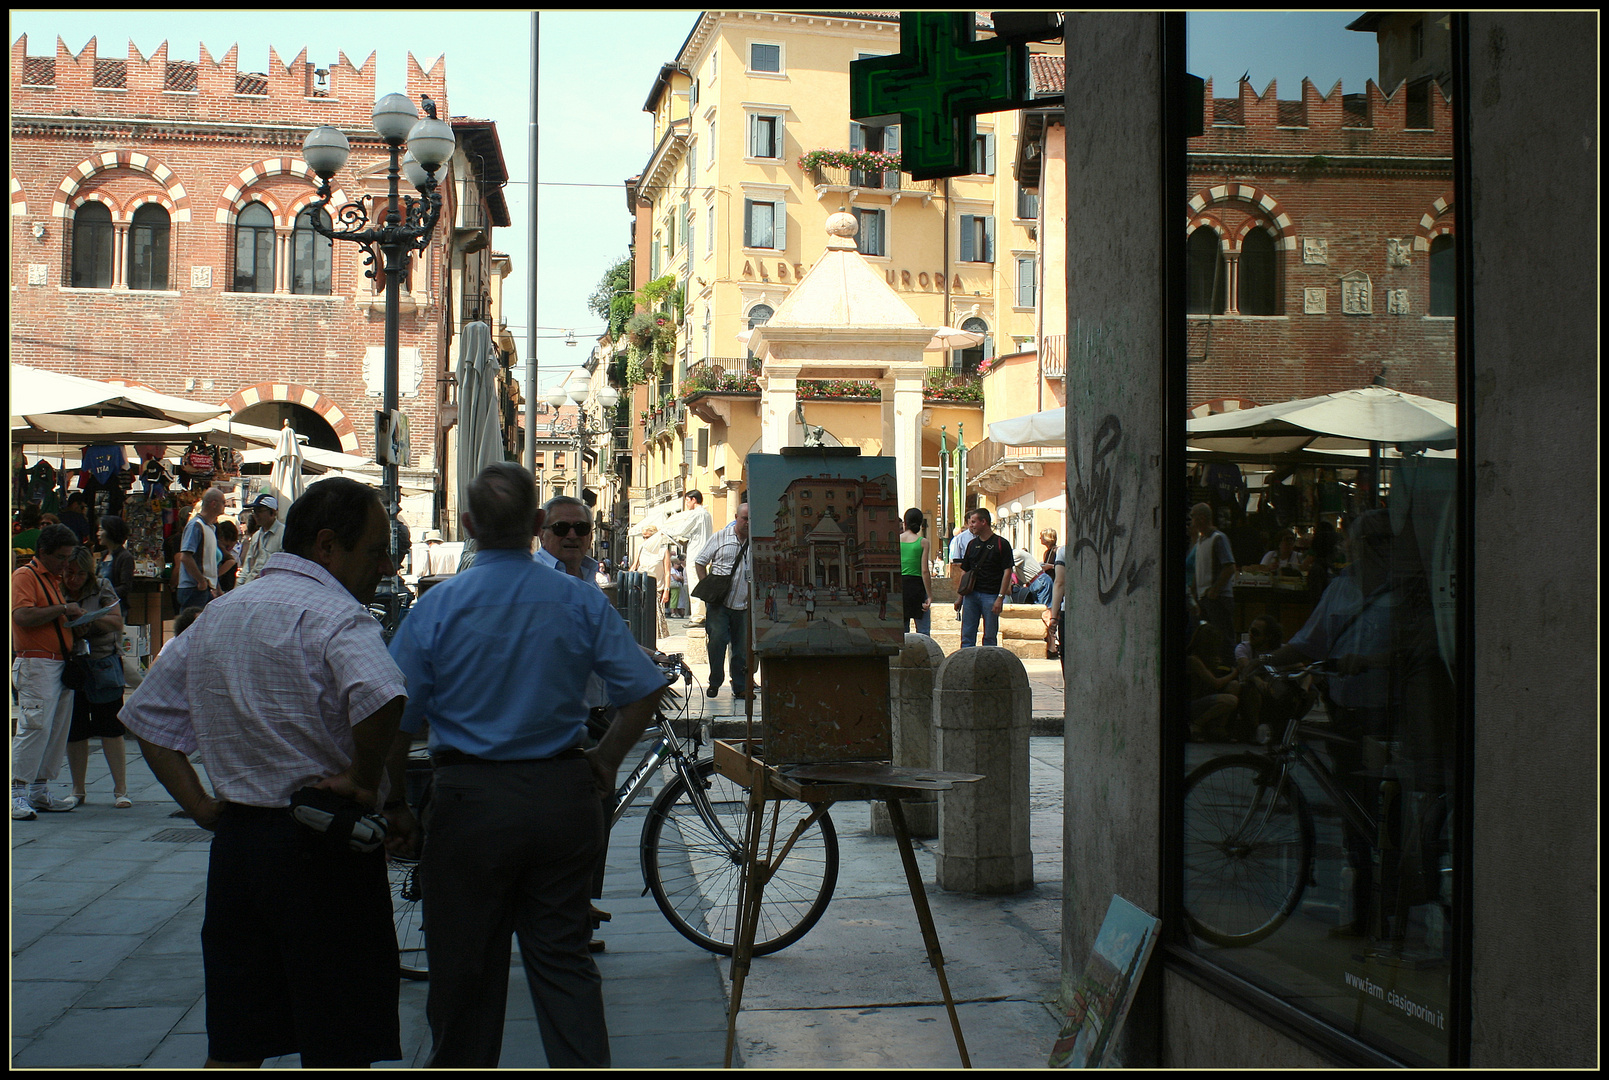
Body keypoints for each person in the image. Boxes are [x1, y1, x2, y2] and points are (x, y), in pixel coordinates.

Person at [387, 462, 671, 1068]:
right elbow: (644, 690)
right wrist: (605, 759)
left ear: (467, 525)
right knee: (564, 964)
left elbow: (397, 716)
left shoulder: (437, 608)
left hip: (468, 801)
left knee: (464, 972)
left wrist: (392, 803)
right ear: (538, 525)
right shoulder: (577, 600)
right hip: (560, 794)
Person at [119, 477, 410, 1068]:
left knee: (237, 1037)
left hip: (241, 849)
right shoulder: (338, 616)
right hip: (325, 847)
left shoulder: (218, 614)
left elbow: (146, 718)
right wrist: (362, 777)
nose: (385, 563)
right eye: (378, 547)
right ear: (327, 545)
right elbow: (383, 695)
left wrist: (201, 806)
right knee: (340, 1043)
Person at [12, 523, 88, 819]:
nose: (65, 564)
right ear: (43, 552)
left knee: (56, 730)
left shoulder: (52, 579)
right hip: (37, 663)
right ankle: (17, 791)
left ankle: (39, 790)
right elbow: (21, 615)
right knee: (35, 727)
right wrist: (62, 610)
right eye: (60, 557)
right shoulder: (25, 576)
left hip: (57, 662)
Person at [61, 545, 130, 807]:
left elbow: (116, 621)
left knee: (110, 727)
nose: (73, 579)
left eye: (78, 574)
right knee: (75, 729)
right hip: (73, 663)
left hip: (102, 662)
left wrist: (89, 620)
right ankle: (78, 789)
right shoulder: (57, 589)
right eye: (68, 573)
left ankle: (120, 789)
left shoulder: (102, 586)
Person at [693, 502, 752, 698]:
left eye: (750, 519)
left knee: (742, 648)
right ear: (736, 517)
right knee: (717, 642)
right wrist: (707, 587)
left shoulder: (756, 541)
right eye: (744, 518)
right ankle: (715, 681)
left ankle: (741, 686)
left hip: (744, 604)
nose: (747, 522)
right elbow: (700, 561)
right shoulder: (720, 537)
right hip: (719, 603)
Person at [953, 507, 1013, 648]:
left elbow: (1007, 571)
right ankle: (966, 663)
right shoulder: (972, 545)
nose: (970, 526)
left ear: (983, 522)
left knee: (990, 636)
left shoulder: (1001, 544)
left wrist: (1000, 597)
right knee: (967, 635)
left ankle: (988, 664)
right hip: (971, 595)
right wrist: (960, 597)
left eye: (973, 522)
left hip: (991, 595)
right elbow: (965, 571)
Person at [1189, 501, 1237, 660]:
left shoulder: (1218, 539)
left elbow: (1229, 567)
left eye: (1193, 517)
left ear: (1202, 518)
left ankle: (1229, 669)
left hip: (1218, 599)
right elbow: (1200, 569)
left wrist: (1215, 589)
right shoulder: (1201, 542)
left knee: (1223, 638)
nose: (1192, 521)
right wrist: (1195, 592)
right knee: (1209, 640)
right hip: (1205, 599)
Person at [662, 490, 714, 625]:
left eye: (687, 500)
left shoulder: (696, 514)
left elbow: (682, 529)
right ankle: (702, 614)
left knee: (694, 585)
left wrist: (666, 531)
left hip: (696, 554)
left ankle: (698, 617)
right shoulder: (707, 515)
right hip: (704, 554)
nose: (686, 504)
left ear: (694, 500)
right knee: (702, 584)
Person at [174, 487, 226, 610]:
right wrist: (201, 581)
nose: (225, 505)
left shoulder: (208, 527)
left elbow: (210, 564)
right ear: (214, 504)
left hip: (201, 588)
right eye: (223, 502)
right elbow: (185, 557)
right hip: (194, 589)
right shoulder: (196, 526)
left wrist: (215, 587)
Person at [236, 492, 284, 587]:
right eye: (254, 511)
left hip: (270, 587)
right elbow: (247, 566)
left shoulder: (283, 534)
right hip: (251, 586)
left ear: (273, 512)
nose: (256, 515)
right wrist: (237, 587)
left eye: (260, 511)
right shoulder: (256, 536)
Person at [899, 507, 934, 635]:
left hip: (900, 585)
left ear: (905, 522)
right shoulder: (923, 542)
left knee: (902, 631)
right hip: (917, 585)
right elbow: (924, 570)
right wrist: (929, 595)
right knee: (923, 630)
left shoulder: (896, 540)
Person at [97, 515, 135, 620]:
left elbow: (125, 587)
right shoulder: (104, 555)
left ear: (110, 531)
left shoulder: (125, 557)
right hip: (100, 608)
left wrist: (105, 594)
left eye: (101, 530)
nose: (98, 534)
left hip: (116, 609)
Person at [1041, 542, 1067, 665]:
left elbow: (1059, 583)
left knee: (1067, 653)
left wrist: (1053, 617)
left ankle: (1068, 683)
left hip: (1068, 610)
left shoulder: (1064, 551)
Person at [215, 518, 240, 592]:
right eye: (227, 546)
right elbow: (231, 561)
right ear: (222, 538)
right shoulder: (218, 546)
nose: (228, 550)